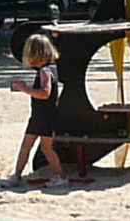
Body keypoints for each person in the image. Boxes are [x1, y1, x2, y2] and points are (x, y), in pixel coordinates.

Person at [7, 32, 81, 187]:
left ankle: (60, 176)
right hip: (41, 115)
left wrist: (24, 89)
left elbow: (45, 93)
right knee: (29, 145)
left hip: (45, 117)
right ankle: (17, 175)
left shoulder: (45, 72)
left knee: (45, 147)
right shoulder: (52, 68)